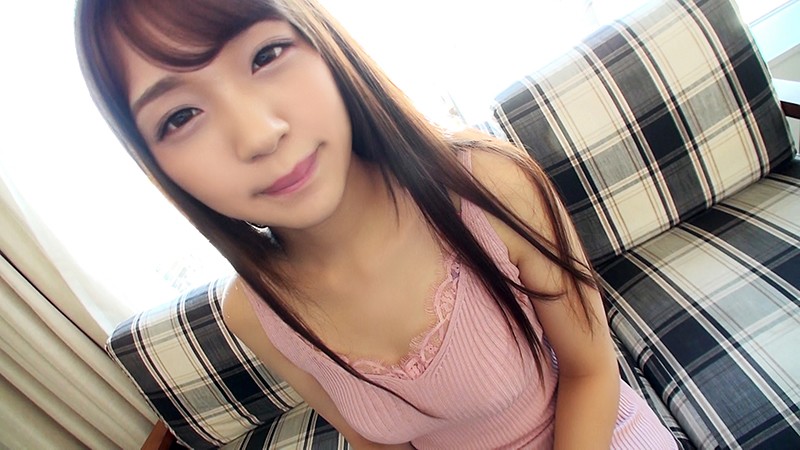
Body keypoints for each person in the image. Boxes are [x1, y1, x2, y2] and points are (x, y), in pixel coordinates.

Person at [75, 0, 678, 448]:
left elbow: (591, 371)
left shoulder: (488, 185)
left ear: (322, 44)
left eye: (266, 55)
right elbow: (375, 445)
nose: (258, 135)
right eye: (180, 116)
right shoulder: (256, 312)